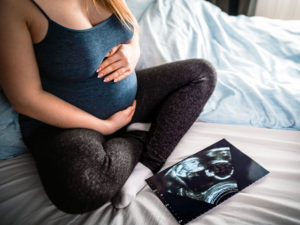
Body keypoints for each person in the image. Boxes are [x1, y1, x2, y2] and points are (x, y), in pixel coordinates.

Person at [0, 0, 217, 214]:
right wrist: (103, 127)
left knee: (201, 74)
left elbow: (131, 27)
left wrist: (133, 50)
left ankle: (148, 164)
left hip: (128, 102)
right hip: (67, 125)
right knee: (83, 189)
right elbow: (26, 99)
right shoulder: (15, 6)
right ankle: (137, 138)